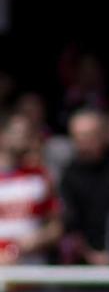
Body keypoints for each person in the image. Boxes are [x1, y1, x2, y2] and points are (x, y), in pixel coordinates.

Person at [58, 109, 109, 266]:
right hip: (84, 262)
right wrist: (90, 254)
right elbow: (69, 223)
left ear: (102, 135)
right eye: (77, 137)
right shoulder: (69, 176)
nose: (83, 142)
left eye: (88, 136)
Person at [0, 113, 61, 266]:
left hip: (32, 271)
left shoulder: (40, 176)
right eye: (17, 132)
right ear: (2, 135)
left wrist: (37, 239)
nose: (23, 138)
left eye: (27, 133)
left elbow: (56, 227)